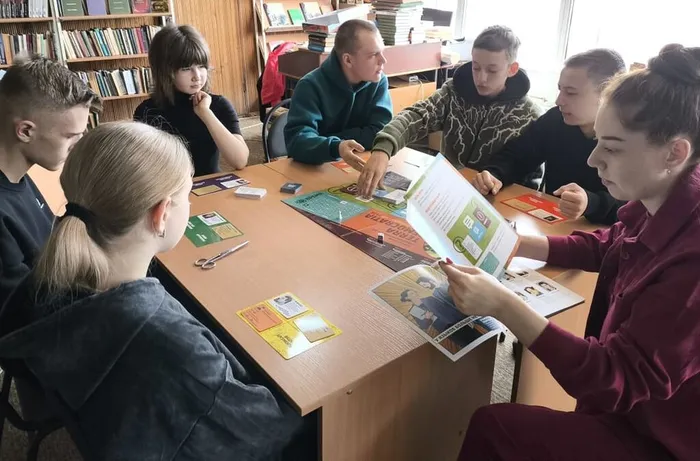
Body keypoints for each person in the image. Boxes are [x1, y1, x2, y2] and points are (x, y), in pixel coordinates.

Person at [444, 47, 700, 461]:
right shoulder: (663, 197)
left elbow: (612, 378)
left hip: (661, 438)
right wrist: (519, 244)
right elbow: (610, 243)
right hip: (630, 412)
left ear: (675, 153)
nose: (593, 159)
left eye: (612, 148)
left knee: (496, 427)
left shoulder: (692, 257)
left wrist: (504, 304)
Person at [0, 122, 306, 460]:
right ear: (161, 214)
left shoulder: (45, 282)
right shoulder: (174, 347)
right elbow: (269, 429)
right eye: (186, 196)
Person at [357, 25, 540, 198]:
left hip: (494, 201)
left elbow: (531, 184)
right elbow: (418, 115)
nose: (481, 78)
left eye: (492, 71)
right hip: (447, 194)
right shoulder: (453, 92)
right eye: (476, 67)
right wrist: (384, 148)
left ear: (512, 69)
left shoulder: (529, 116)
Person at [473, 49, 627, 225]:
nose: (559, 101)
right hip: (553, 225)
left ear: (607, 94)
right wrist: (494, 175)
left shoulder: (631, 138)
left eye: (571, 93)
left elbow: (638, 207)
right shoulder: (556, 120)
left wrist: (591, 203)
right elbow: (517, 155)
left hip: (606, 233)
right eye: (560, 90)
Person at [0, 55, 100, 308]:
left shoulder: (20, 177)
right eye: (70, 136)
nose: (77, 144)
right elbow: (24, 313)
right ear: (25, 131)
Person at [134, 25, 249, 177]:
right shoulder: (147, 111)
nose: (197, 76)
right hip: (169, 189)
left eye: (201, 66)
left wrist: (205, 113)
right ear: (165, 71)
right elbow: (143, 168)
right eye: (186, 68)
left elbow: (240, 161)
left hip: (209, 185)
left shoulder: (218, 104)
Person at [283, 19, 393, 165]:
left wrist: (330, 139)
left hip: (358, 162)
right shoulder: (309, 86)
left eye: (382, 52)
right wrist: (336, 147)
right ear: (348, 60)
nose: (383, 60)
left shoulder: (378, 81)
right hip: (316, 168)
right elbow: (297, 142)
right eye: (373, 55)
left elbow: (382, 133)